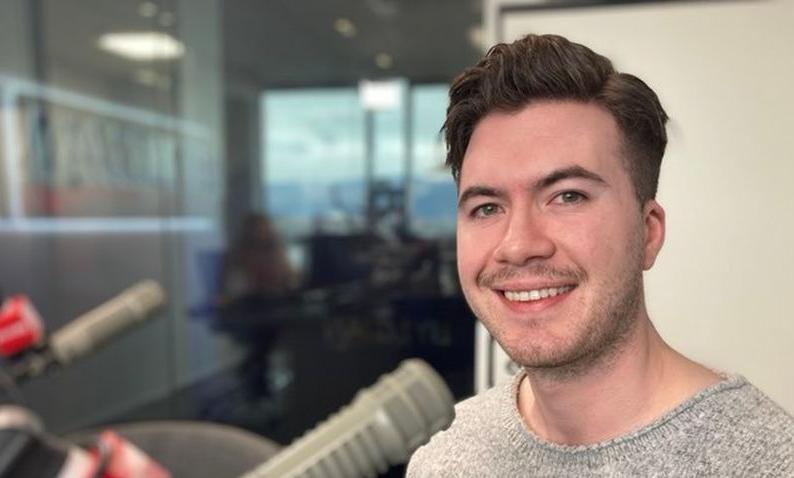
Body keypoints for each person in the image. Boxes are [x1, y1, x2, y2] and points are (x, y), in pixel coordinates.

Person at [407, 33, 794, 477]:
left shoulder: (767, 462)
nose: (518, 245)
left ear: (648, 232)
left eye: (568, 196)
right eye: (487, 208)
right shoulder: (447, 462)